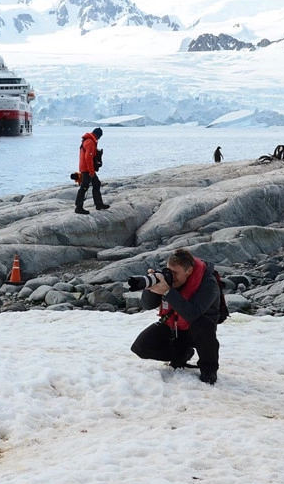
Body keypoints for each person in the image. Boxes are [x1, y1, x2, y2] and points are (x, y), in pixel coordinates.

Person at [130, 248, 221, 385]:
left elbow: (192, 313)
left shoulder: (208, 283)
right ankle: (181, 354)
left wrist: (167, 291)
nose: (171, 276)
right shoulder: (167, 277)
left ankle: (209, 368)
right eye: (169, 270)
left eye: (175, 273)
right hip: (174, 326)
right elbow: (147, 305)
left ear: (189, 271)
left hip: (198, 330)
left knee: (203, 325)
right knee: (140, 347)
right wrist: (152, 287)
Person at [75, 127, 109, 214]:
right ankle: (78, 207)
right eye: (99, 136)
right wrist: (91, 171)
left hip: (86, 168)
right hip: (87, 169)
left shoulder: (89, 140)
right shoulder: (90, 142)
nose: (99, 138)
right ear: (98, 135)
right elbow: (88, 158)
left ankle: (99, 204)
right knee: (84, 187)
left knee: (96, 184)